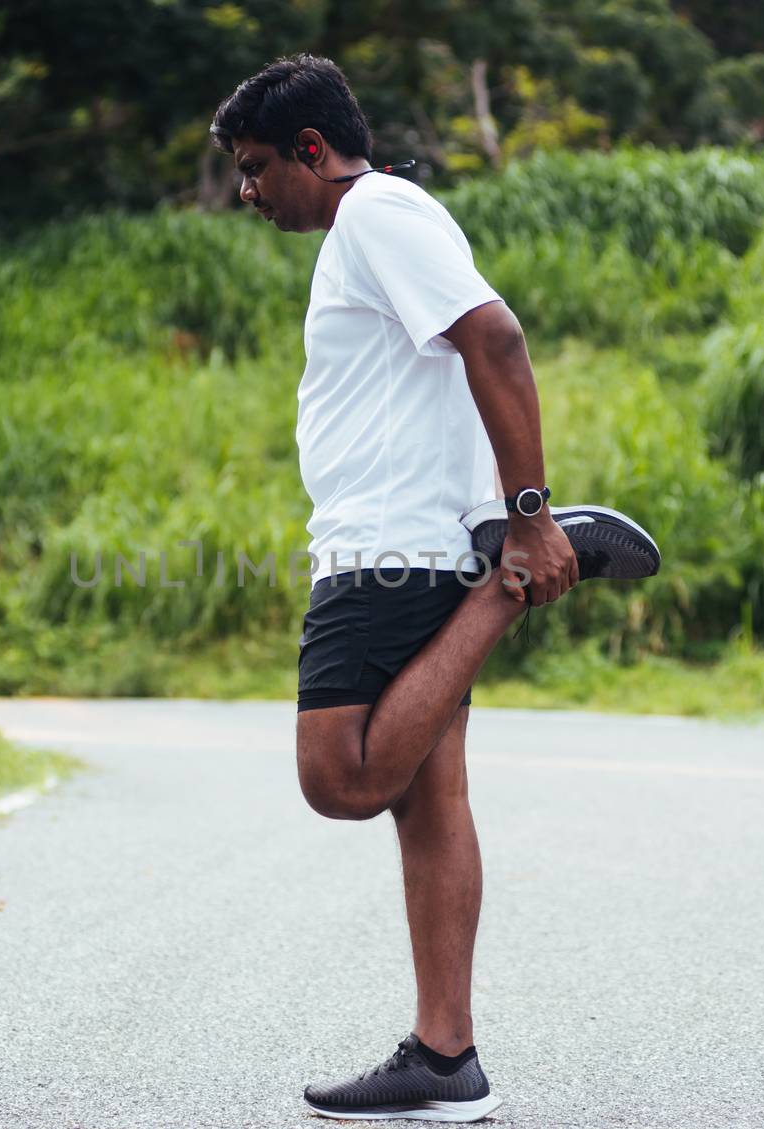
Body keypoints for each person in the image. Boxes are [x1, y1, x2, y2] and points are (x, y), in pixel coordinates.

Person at [209, 53, 641, 1123]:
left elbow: (494, 335)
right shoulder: (371, 228)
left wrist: (530, 519)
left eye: (258, 167)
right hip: (404, 541)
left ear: (313, 151)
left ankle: (511, 580)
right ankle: (445, 1057)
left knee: (341, 778)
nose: (248, 191)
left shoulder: (380, 213)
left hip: (390, 554)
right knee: (429, 798)